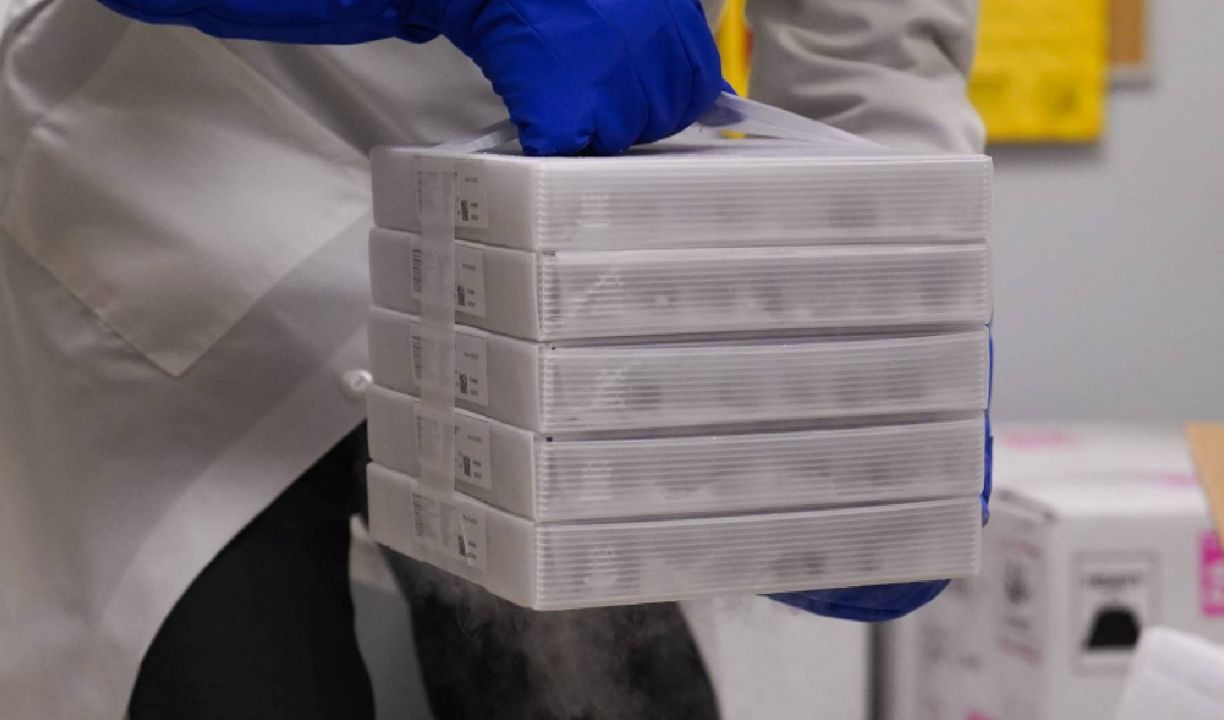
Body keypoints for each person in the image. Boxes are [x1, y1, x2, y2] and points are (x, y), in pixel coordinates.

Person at [0, 1, 983, 718]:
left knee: (616, 690)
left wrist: (902, 302)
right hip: (185, 180)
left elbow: (872, 32)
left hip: (568, 204)